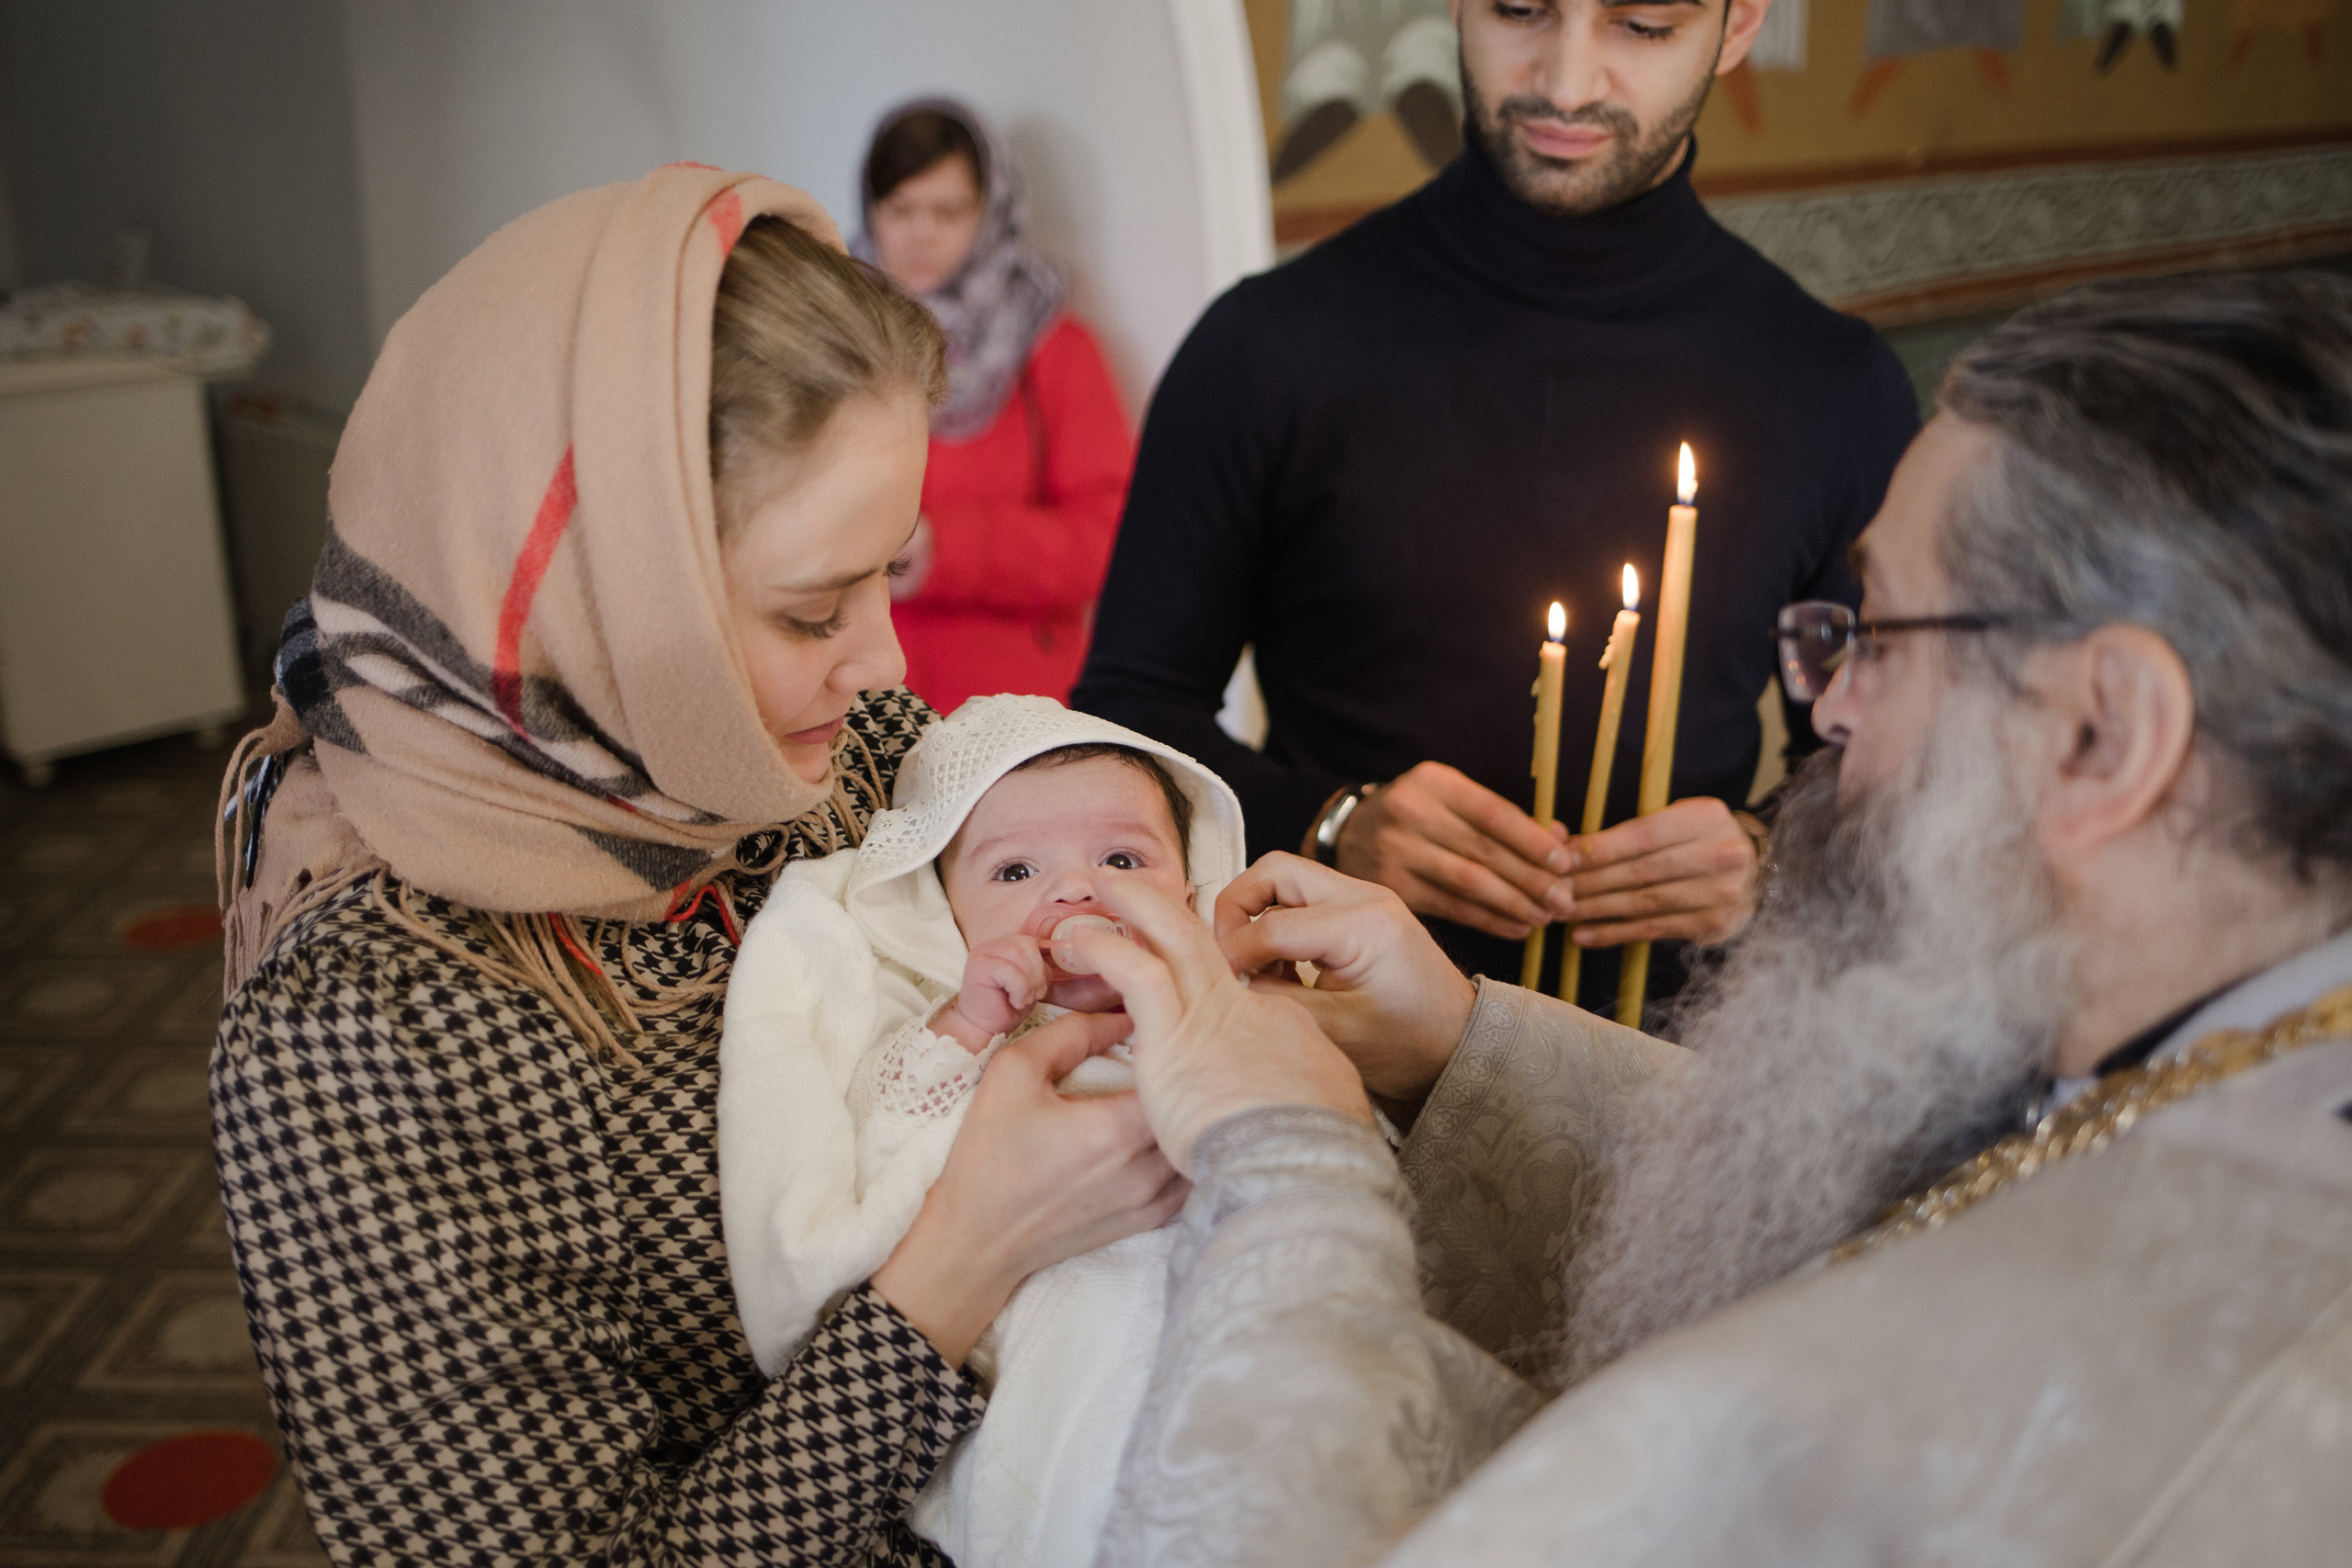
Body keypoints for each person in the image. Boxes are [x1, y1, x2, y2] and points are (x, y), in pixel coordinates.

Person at [1053, 271, 2352, 1563]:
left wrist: (1285, 1156)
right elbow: (1871, 1206)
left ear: (2102, 732)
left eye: (1881, 634)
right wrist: (1459, 1043)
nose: (1830, 711)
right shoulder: (2228, 1039)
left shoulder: (2077, 1382)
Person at [209, 166, 1183, 1567]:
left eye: (886, 575)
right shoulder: (368, 1030)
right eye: (811, 608)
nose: (888, 664)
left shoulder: (813, 754)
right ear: (593, 599)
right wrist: (959, 1265)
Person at [1073, 0, 1921, 1007]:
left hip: (1682, 1072)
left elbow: (1893, 754)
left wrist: (1770, 855)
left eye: (1641, 26)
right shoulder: (1269, 346)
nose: (1564, 83)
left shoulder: (1832, 384)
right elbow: (1122, 719)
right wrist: (1333, 821)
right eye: (1520, 9)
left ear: (1737, 28)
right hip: (1340, 1047)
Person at [718, 695, 1244, 1568]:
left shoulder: (1228, 1007)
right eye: (1013, 873)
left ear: (1189, 894)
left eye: (1122, 857)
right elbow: (885, 1150)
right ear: (948, 919)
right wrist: (964, 1024)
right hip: (1061, 1363)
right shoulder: (962, 1033)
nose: (1077, 890)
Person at [855, 99, 1135, 716]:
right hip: (858, 704)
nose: (920, 233)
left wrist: (946, 551)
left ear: (991, 210)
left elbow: (1108, 538)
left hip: (1012, 712)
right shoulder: (836, 344)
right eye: (899, 209)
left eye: (948, 211)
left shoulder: (1054, 349)